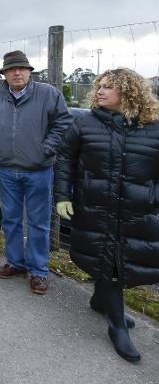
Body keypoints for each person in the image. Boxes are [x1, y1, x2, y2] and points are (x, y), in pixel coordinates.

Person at [54, 68, 159, 363]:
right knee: (109, 260)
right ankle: (116, 325)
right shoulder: (84, 123)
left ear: (129, 92)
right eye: (99, 86)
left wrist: (152, 196)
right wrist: (62, 195)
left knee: (117, 259)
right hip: (95, 207)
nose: (100, 91)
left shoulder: (154, 127)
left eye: (108, 87)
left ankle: (101, 301)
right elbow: (66, 160)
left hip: (136, 212)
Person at [0, 50, 72, 295]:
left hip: (39, 170)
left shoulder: (48, 94)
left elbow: (64, 123)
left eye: (22, 69)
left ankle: (38, 270)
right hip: (7, 170)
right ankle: (16, 262)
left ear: (29, 71)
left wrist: (45, 149)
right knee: (11, 219)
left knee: (38, 222)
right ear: (4, 74)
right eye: (11, 70)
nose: (17, 73)